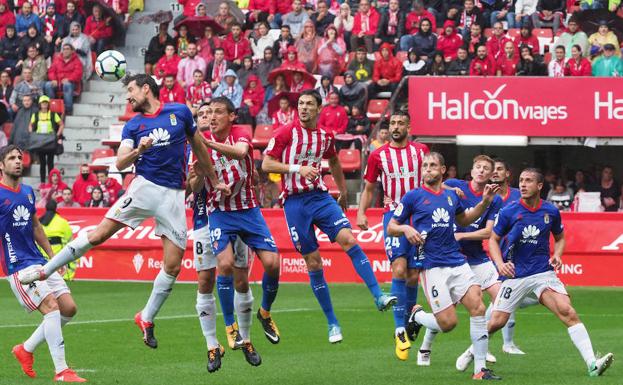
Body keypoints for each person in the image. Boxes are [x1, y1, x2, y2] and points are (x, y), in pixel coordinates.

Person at [18, 74, 230, 351]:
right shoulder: (133, 125)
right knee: (98, 235)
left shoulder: (180, 112)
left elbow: (200, 148)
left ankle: (146, 317)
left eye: (130, 90)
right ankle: (45, 272)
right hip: (144, 189)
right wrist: (138, 151)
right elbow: (119, 161)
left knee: (174, 265)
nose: (128, 97)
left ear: (146, 88)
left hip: (174, 196)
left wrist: (214, 180)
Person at [262, 90, 397, 343]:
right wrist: (296, 168)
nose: (303, 108)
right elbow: (266, 164)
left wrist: (343, 191)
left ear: (319, 109)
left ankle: (378, 295)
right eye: (300, 104)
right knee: (313, 263)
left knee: (350, 240)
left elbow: (334, 161)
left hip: (320, 197)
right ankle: (332, 323)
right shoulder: (285, 133)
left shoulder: (325, 136)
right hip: (294, 203)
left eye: (308, 104)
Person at [487, 167, 614, 377]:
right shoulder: (509, 211)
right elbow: (493, 240)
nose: (523, 184)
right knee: (496, 322)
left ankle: (592, 364)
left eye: (528, 181)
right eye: (521, 180)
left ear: (539, 186)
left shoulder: (551, 211)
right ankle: (473, 350)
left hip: (542, 274)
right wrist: (500, 264)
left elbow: (560, 237)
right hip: (516, 276)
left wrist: (557, 255)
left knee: (568, 311)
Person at [391, 152, 502, 380]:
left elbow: (465, 220)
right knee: (448, 323)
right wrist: (406, 229)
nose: (428, 169)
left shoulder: (452, 197)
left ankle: (479, 370)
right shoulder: (413, 197)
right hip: (432, 266)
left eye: (432, 165)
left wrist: (484, 203)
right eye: (425, 165)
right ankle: (418, 316)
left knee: (479, 308)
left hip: (456, 261)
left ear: (443, 170)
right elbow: (392, 226)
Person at [193, 97, 282, 363]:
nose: (213, 117)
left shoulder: (240, 133)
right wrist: (198, 174)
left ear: (232, 116)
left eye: (219, 112)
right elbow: (192, 186)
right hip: (219, 213)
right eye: (210, 113)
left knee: (273, 264)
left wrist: (207, 144)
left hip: (249, 211)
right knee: (225, 265)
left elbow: (242, 153)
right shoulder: (198, 144)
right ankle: (231, 328)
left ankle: (265, 313)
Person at [2, 145, 86, 383]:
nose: (18, 161)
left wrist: (52, 258)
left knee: (69, 308)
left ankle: (26, 349)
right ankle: (62, 371)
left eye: (20, 157)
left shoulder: (28, 192)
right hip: (18, 266)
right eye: (11, 158)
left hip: (38, 261)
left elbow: (37, 227)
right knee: (51, 306)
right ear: (1, 165)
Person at [357, 111, 429, 361]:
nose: (396, 127)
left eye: (400, 123)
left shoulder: (421, 151)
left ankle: (410, 320)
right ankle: (399, 329)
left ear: (409, 126)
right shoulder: (378, 155)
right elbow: (369, 187)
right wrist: (362, 212)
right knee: (398, 270)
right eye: (392, 124)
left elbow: (431, 179)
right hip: (394, 217)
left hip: (420, 218)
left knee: (412, 275)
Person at [29, 95, 64, 184]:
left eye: (45, 103)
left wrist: (57, 134)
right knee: (42, 163)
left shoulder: (53, 114)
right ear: (40, 104)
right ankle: (42, 182)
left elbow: (61, 124)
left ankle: (51, 182)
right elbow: (30, 125)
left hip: (50, 140)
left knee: (50, 162)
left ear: (48, 104)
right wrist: (32, 133)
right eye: (42, 103)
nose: (44, 105)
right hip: (40, 141)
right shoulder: (36, 115)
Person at [38, 199, 76, 280]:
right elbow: (70, 240)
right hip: (59, 257)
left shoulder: (39, 222)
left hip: (42, 258)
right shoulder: (62, 222)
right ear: (56, 208)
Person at [44, 44, 82, 115]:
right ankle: (53, 106)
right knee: (48, 85)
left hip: (71, 83)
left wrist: (69, 79)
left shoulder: (77, 60)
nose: (65, 51)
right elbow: (51, 71)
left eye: (67, 49)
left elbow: (78, 73)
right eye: (64, 49)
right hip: (58, 82)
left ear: (72, 51)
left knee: (67, 85)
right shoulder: (57, 59)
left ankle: (68, 110)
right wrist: (53, 79)